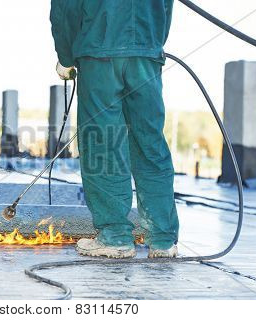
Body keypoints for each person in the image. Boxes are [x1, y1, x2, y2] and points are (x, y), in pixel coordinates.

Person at [50, 1, 179, 258]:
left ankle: (115, 236)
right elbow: (166, 7)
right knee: (150, 141)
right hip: (146, 54)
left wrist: (65, 56)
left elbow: (66, 8)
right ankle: (163, 240)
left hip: (100, 51)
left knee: (103, 143)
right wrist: (150, 42)